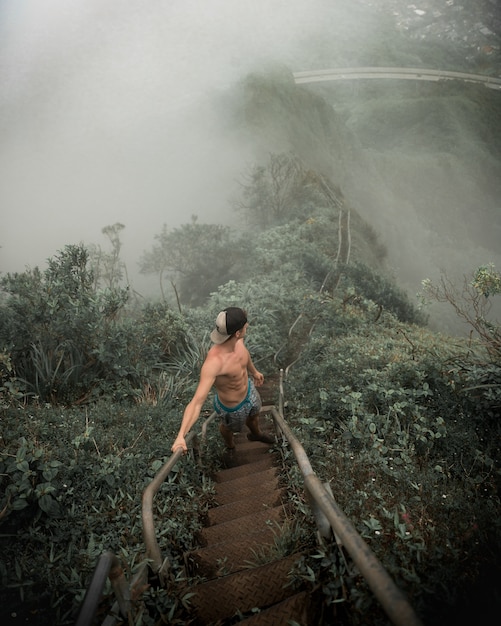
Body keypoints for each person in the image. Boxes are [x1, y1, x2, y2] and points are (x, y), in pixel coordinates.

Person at [171, 307, 275, 454]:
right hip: (232, 408)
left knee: (254, 416)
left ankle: (256, 434)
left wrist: (254, 372)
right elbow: (196, 403)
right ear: (237, 332)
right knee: (228, 427)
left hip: (249, 391)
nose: (248, 326)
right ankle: (230, 446)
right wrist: (181, 435)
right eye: (245, 326)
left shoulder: (238, 340)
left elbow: (245, 356)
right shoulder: (214, 363)